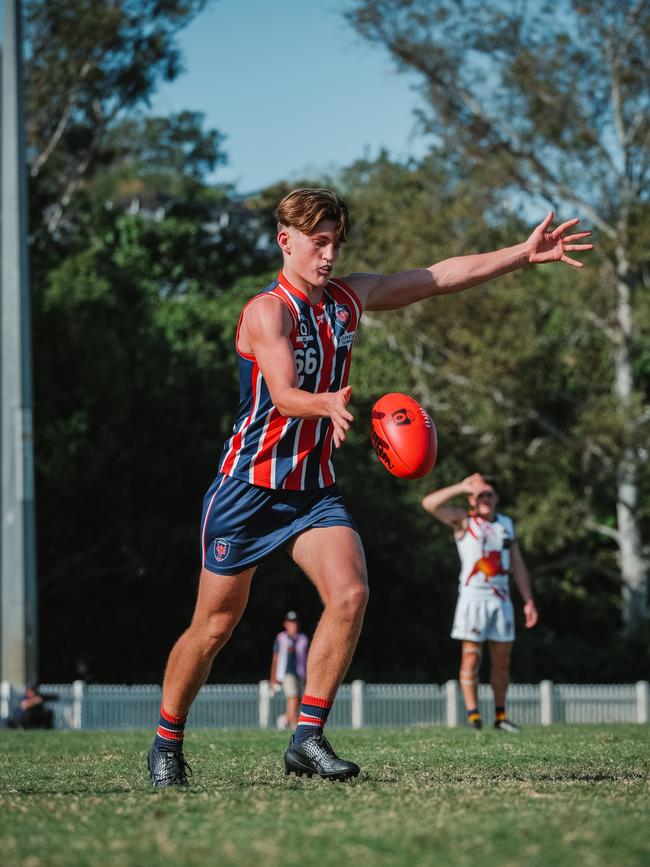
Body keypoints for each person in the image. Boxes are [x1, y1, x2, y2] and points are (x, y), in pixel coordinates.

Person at [147, 188, 592, 786]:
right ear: (286, 241)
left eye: (336, 243)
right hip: (247, 490)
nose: (328, 256)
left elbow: (434, 277)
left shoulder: (347, 301)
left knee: (351, 594)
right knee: (215, 627)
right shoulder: (267, 311)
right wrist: (322, 402)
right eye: (317, 242)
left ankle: (307, 738)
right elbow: (281, 393)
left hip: (312, 490)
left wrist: (521, 253)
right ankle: (167, 742)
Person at [421, 474, 539, 732]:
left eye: (489, 494)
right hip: (473, 597)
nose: (485, 499)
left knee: (502, 660)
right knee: (471, 657)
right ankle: (474, 716)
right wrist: (461, 486)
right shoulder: (464, 521)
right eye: (480, 495)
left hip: (501, 598)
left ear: (496, 498)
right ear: (471, 500)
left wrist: (528, 600)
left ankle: (500, 716)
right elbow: (429, 504)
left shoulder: (506, 524)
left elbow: (517, 565)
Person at [270, 611, 309, 729]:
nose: (293, 625)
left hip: (300, 673)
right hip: (286, 673)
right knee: (292, 697)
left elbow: (306, 658)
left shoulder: (303, 639)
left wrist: (308, 675)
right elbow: (275, 658)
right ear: (286, 624)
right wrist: (273, 678)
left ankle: (284, 719)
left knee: (300, 699)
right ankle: (294, 725)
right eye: (291, 623)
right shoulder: (281, 638)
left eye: (295, 623)